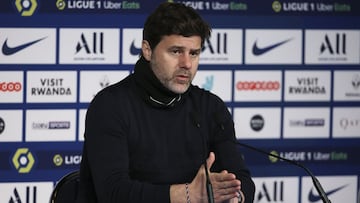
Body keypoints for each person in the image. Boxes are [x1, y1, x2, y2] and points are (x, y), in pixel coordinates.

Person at [76, 2, 255, 203]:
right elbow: (113, 192)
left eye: (194, 53)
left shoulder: (210, 108)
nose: (186, 64)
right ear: (147, 50)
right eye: (176, 51)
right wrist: (188, 195)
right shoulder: (110, 105)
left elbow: (241, 179)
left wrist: (234, 197)